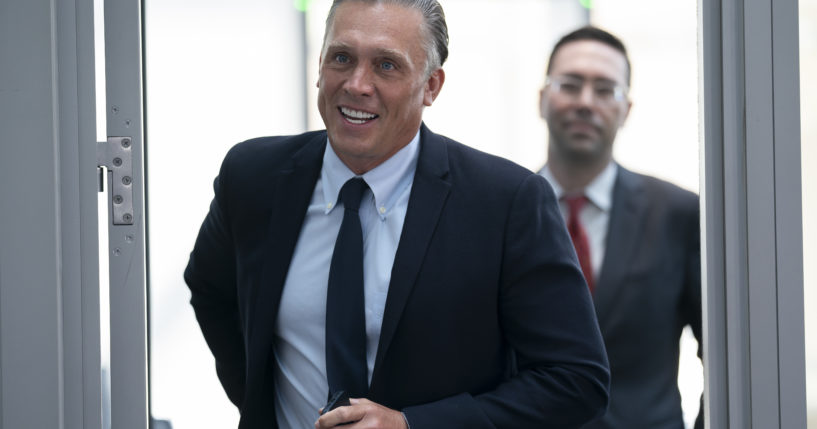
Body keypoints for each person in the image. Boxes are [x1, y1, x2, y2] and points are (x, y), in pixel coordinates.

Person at [185, 1, 610, 428]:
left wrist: (410, 425)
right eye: (342, 57)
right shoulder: (254, 178)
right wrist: (261, 402)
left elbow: (576, 380)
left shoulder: (507, 202)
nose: (357, 84)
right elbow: (211, 291)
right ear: (319, 63)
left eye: (386, 66)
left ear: (431, 86)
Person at [537, 26, 703, 429]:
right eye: (570, 85)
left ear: (626, 109)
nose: (585, 102)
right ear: (542, 99)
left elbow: (726, 356)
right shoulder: (504, 212)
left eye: (605, 89)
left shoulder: (679, 213)